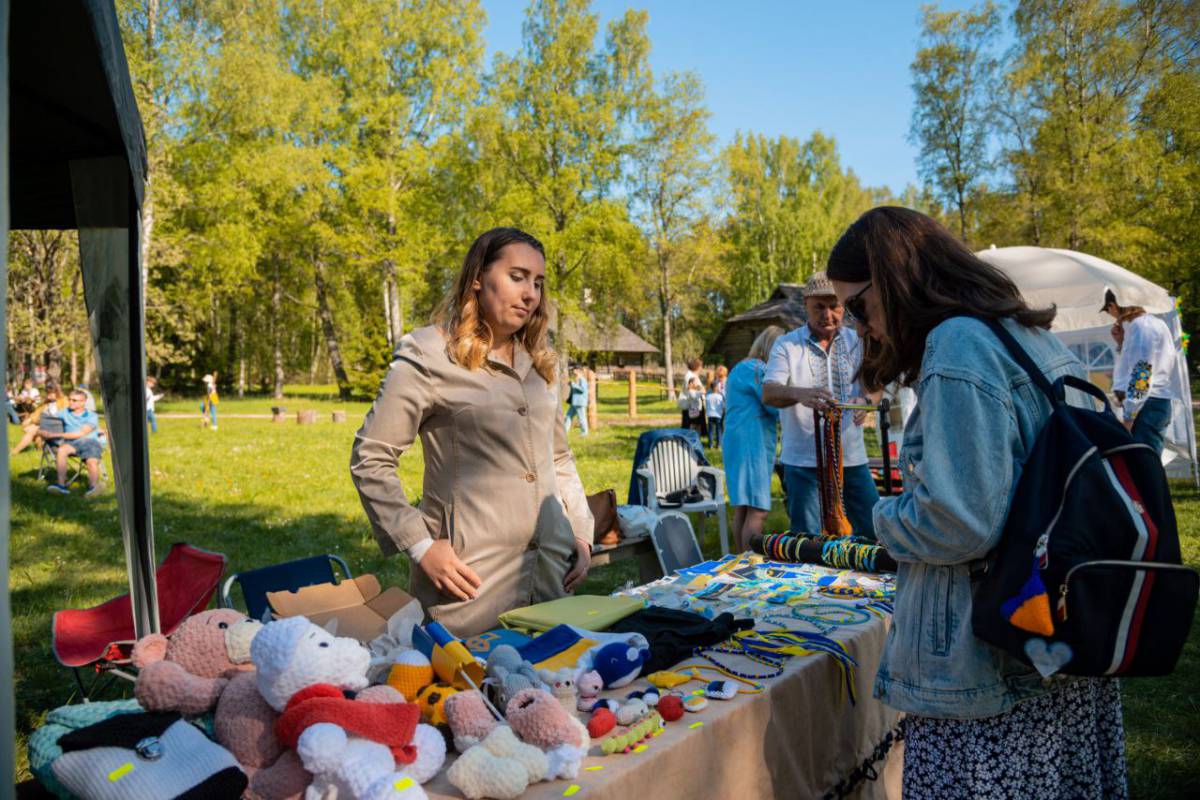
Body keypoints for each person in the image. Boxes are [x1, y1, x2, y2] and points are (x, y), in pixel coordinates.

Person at [828, 206, 1126, 799]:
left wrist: (884, 519)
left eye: (858, 306)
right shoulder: (1024, 335)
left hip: (987, 672)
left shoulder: (957, 343)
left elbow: (959, 522)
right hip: (1054, 642)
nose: (857, 326)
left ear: (896, 278)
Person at [350, 227, 594, 637]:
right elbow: (371, 457)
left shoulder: (539, 365)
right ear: (478, 277)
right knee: (472, 698)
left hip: (551, 578)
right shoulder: (429, 353)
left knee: (555, 694)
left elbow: (559, 458)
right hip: (470, 585)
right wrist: (421, 547)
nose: (531, 293)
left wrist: (581, 533)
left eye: (538, 282)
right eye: (517, 277)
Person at [763, 271, 879, 538]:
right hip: (803, 461)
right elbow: (769, 392)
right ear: (805, 304)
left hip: (851, 458)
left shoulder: (858, 340)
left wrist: (865, 401)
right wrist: (800, 394)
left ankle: (865, 580)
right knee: (808, 540)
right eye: (819, 307)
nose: (828, 314)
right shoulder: (787, 345)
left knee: (875, 532)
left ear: (844, 306)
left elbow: (875, 386)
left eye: (834, 306)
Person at [723, 326, 784, 552]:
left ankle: (740, 559)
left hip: (736, 441)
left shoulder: (740, 367)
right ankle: (751, 561)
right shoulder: (759, 369)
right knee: (758, 509)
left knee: (743, 506)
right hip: (752, 443)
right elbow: (773, 405)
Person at [1102, 288, 1178, 455]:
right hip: (1150, 403)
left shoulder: (1141, 327)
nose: (1111, 316)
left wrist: (1129, 416)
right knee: (1145, 466)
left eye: (1108, 311)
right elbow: (1140, 365)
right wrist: (1121, 342)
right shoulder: (1151, 324)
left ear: (1113, 305)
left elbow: (1142, 374)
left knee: (1144, 467)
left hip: (1146, 406)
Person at [42, 389, 104, 496]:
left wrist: (55, 435)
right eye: (69, 399)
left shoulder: (92, 416)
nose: (71, 402)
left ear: (83, 402)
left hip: (90, 442)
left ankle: (93, 488)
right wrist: (40, 430)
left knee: (91, 461)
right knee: (62, 450)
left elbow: (80, 434)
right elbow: (48, 420)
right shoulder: (64, 413)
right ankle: (61, 486)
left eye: (74, 400)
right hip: (72, 443)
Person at [10, 382, 68, 455]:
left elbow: (63, 417)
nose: (48, 395)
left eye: (50, 393)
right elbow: (37, 413)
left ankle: (15, 451)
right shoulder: (47, 402)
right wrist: (30, 420)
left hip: (57, 426)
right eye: (47, 393)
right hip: (46, 424)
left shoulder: (64, 401)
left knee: (31, 430)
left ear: (57, 392)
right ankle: (39, 446)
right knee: (30, 429)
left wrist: (37, 422)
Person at [564, 367, 589, 436]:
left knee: (581, 418)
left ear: (578, 370)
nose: (573, 371)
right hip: (574, 403)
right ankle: (564, 433)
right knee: (568, 417)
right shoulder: (576, 379)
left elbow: (582, 390)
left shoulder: (582, 380)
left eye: (574, 370)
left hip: (580, 403)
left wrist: (573, 385)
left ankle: (584, 433)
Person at [680, 358, 702, 428]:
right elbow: (693, 389)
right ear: (697, 367)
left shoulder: (693, 375)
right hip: (691, 405)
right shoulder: (690, 376)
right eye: (700, 366)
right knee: (691, 424)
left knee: (695, 424)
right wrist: (701, 389)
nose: (701, 368)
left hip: (695, 403)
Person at [704, 379, 725, 448]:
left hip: (710, 414)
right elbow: (722, 406)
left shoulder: (708, 396)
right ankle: (719, 444)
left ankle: (710, 444)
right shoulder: (720, 397)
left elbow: (706, 405)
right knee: (718, 430)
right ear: (716, 387)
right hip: (718, 415)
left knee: (710, 431)